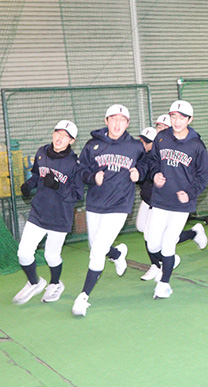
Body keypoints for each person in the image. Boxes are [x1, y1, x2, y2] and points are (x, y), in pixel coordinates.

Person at [72, 105, 148, 316]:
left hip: (119, 206)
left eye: (122, 120)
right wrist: (92, 178)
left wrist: (139, 173)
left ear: (127, 123)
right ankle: (117, 253)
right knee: (95, 245)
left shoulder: (135, 146)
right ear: (106, 121)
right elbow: (81, 170)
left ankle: (83, 297)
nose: (117, 124)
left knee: (97, 251)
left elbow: (146, 164)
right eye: (113, 119)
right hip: (96, 203)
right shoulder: (93, 145)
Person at [13, 121, 82, 305]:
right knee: (23, 253)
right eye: (58, 133)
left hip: (60, 216)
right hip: (38, 212)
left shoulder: (74, 163)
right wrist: (29, 184)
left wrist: (58, 186)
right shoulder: (42, 152)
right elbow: (36, 175)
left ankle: (55, 283)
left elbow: (77, 194)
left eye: (65, 136)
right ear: (53, 134)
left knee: (51, 256)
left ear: (72, 140)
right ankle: (35, 282)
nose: (60, 138)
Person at [146, 100, 208, 299]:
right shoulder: (162, 137)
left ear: (190, 120)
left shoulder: (197, 145)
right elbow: (153, 161)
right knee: (152, 244)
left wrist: (190, 193)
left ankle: (164, 284)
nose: (177, 121)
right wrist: (155, 174)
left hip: (182, 203)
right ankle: (175, 254)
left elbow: (203, 176)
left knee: (168, 244)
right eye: (174, 116)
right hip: (160, 199)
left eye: (182, 117)